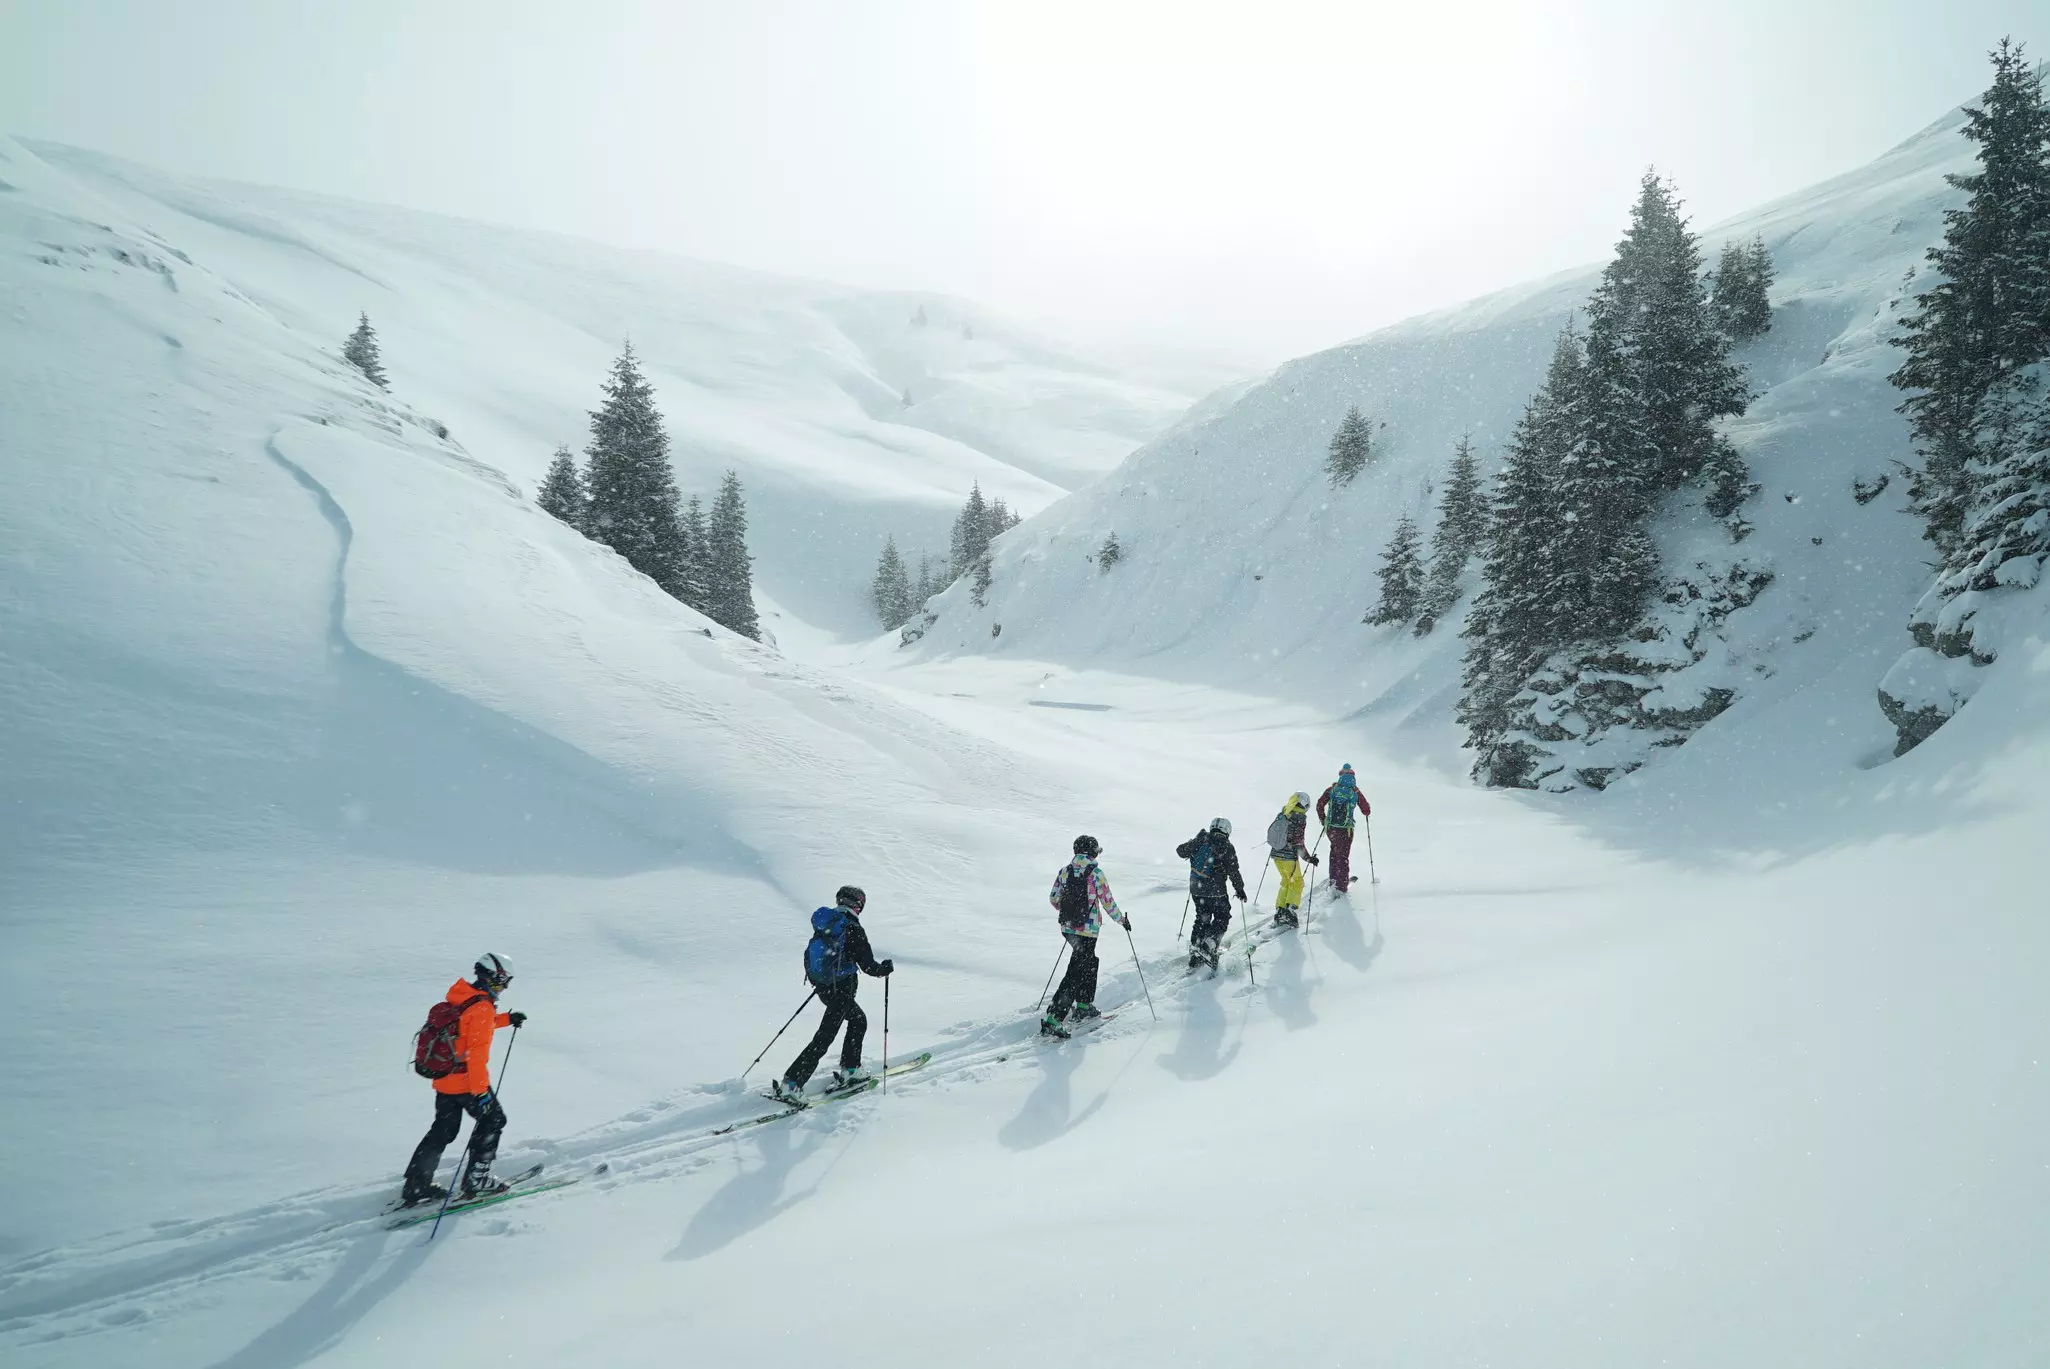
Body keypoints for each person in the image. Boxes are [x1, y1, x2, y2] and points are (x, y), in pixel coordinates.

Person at [401, 952, 528, 1205]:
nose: (505, 987)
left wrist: (505, 1020)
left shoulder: (462, 997)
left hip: (444, 1079)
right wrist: (481, 1094)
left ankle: (416, 1184)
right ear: (494, 978)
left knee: (443, 1130)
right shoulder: (481, 1006)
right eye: (504, 980)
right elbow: (476, 1055)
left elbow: (466, 1029)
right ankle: (477, 1181)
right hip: (466, 1083)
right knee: (493, 1120)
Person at [775, 886, 894, 1101]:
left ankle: (850, 1068)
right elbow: (868, 966)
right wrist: (884, 969)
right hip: (842, 989)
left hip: (825, 988)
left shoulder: (828, 924)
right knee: (825, 1036)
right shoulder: (852, 928)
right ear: (858, 904)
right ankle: (792, 1083)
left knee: (858, 1020)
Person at [1043, 834, 1131, 1036]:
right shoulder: (1096, 873)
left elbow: (1053, 898)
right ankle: (1054, 1018)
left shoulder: (1065, 871)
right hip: (1088, 930)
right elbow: (1108, 901)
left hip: (1068, 928)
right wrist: (1122, 920)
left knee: (1088, 962)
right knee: (1076, 970)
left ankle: (1084, 1005)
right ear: (1092, 852)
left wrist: (1070, 913)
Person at [1177, 817, 1247, 969]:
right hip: (1215, 890)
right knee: (1222, 916)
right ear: (1227, 830)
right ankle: (1209, 945)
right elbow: (1233, 871)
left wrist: (1195, 842)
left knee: (1202, 918)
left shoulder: (1201, 839)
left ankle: (1196, 949)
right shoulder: (1226, 846)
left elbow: (1180, 851)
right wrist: (1240, 890)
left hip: (1196, 888)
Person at [1264, 792, 1320, 929]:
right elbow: (1298, 842)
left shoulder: (1284, 813)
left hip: (1276, 855)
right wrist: (1308, 858)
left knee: (1286, 881)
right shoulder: (1299, 817)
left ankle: (1280, 911)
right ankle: (1290, 911)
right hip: (1289, 856)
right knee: (1297, 882)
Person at [1316, 763, 1372, 893]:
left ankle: (1333, 880)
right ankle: (1342, 885)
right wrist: (1366, 807)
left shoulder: (1332, 789)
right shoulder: (1355, 791)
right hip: (1346, 830)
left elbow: (1320, 803)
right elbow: (1366, 810)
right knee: (1343, 856)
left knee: (1334, 853)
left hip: (1331, 829)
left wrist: (1323, 819)